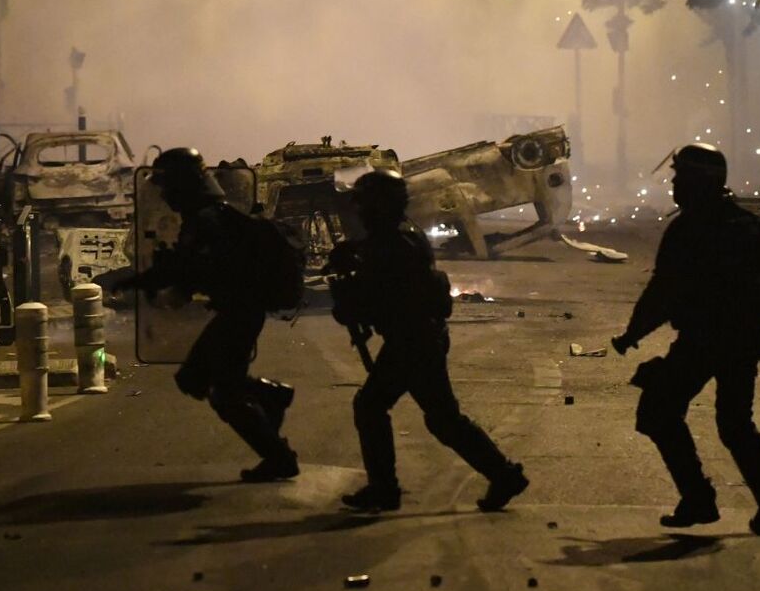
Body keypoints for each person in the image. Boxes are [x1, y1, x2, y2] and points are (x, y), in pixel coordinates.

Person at [612, 143, 760, 535]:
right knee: (735, 425)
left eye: (680, 177)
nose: (675, 185)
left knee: (658, 412)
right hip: (739, 343)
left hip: (705, 341)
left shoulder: (689, 229)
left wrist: (632, 333)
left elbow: (664, 291)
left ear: (698, 182)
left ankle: (698, 498)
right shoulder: (747, 227)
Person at [329, 169, 528, 512]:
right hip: (420, 339)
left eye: (364, 204)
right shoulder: (399, 234)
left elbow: (381, 294)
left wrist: (351, 302)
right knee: (442, 420)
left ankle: (385, 489)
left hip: (412, 342)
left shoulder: (392, 243)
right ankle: (503, 474)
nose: (359, 212)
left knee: (372, 407)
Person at [116, 147, 299, 483]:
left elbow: (196, 270)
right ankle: (272, 397)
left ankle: (279, 455)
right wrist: (142, 279)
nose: (167, 194)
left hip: (240, 313)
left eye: (170, 185)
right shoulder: (209, 217)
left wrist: (154, 280)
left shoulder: (208, 221)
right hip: (237, 312)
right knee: (197, 379)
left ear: (184, 185)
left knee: (222, 393)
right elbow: (189, 268)